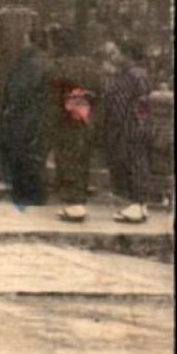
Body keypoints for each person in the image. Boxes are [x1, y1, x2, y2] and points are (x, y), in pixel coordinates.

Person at [44, 25, 105, 223]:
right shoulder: (90, 65)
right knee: (82, 157)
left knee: (67, 156)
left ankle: (74, 203)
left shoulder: (58, 66)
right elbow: (100, 88)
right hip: (87, 116)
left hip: (66, 117)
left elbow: (51, 92)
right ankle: (79, 201)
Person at [0, 29, 52, 206]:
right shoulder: (46, 61)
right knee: (35, 154)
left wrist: (9, 110)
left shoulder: (29, 63)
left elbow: (19, 90)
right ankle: (36, 193)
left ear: (29, 41)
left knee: (22, 153)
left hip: (25, 114)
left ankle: (26, 194)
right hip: (40, 114)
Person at [105, 40, 156, 223]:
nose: (114, 56)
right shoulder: (142, 74)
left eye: (117, 53)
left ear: (126, 55)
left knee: (131, 162)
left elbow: (117, 102)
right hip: (142, 122)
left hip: (128, 124)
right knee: (141, 162)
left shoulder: (127, 76)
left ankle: (135, 204)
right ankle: (142, 204)